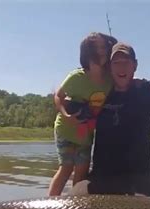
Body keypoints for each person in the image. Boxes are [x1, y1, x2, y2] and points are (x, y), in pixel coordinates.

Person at [71, 19, 150, 197]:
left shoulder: (145, 91)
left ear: (135, 65)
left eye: (126, 62)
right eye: (116, 63)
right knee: (75, 196)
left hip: (139, 183)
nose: (121, 67)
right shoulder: (99, 94)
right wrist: (74, 106)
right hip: (101, 179)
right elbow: (70, 97)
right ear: (109, 67)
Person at [48, 32, 117, 196]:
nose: (103, 51)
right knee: (66, 168)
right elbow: (59, 96)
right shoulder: (76, 77)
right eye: (98, 47)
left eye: (105, 47)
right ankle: (49, 208)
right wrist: (66, 115)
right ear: (88, 53)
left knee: (81, 173)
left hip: (86, 133)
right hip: (65, 129)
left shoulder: (110, 80)